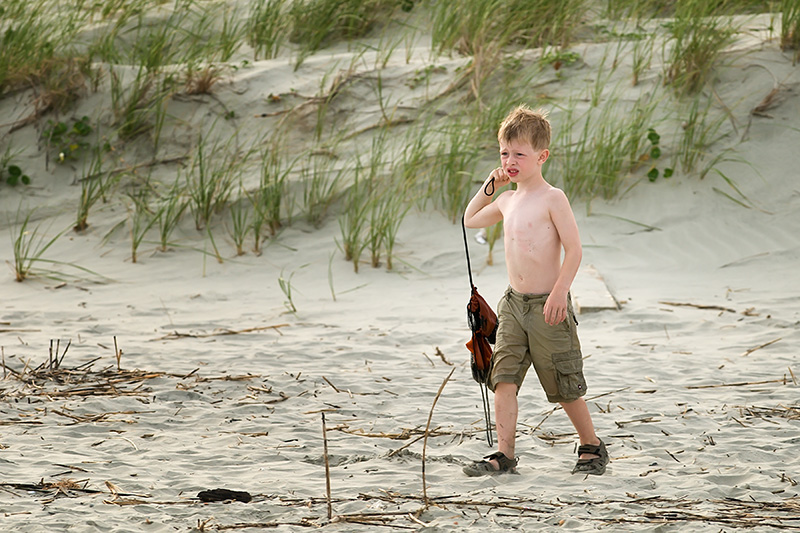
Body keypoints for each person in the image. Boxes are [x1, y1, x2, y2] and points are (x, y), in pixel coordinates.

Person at [461, 105, 608, 476]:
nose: (510, 161)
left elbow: (574, 250)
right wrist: (490, 186)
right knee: (503, 376)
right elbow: (469, 219)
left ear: (541, 156)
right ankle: (504, 454)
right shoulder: (507, 200)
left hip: (548, 305)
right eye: (504, 153)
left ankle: (591, 444)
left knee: (563, 380)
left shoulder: (552, 198)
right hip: (512, 305)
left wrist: (560, 292)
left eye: (519, 154)